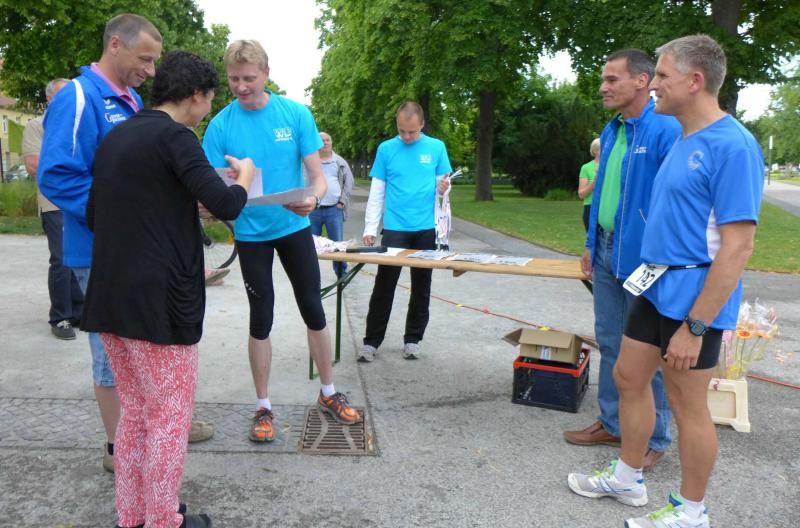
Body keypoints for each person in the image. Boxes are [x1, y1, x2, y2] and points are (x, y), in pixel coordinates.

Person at [568, 35, 764, 528]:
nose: (652, 83)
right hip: (655, 286)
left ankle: (691, 511)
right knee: (628, 377)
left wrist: (696, 327)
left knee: (686, 404)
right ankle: (628, 478)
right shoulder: (681, 137)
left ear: (694, 81)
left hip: (694, 298)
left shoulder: (734, 146)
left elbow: (738, 248)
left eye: (661, 75)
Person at [37, 13, 213, 474]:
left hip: (138, 250)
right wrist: (119, 216)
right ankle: (121, 451)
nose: (151, 71)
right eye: (145, 59)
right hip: (99, 250)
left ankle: (159, 427)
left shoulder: (132, 100)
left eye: (155, 62)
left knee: (145, 350)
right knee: (112, 358)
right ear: (115, 44)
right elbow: (56, 174)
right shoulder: (79, 96)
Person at [83, 50, 252, 528]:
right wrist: (245, 178)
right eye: (209, 99)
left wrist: (174, 207)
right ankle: (162, 519)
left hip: (110, 298)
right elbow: (227, 204)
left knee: (136, 413)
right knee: (169, 416)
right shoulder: (177, 137)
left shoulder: (118, 136)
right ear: (196, 95)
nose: (207, 110)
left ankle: (132, 516)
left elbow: (96, 214)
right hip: (158, 302)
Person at [202, 40, 359, 444]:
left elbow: (318, 177)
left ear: (266, 74)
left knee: (313, 308)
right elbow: (209, 188)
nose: (241, 86)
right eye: (234, 79)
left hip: (293, 227)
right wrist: (211, 206)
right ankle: (263, 405)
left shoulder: (295, 114)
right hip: (250, 233)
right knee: (261, 316)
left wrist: (313, 198)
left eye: (249, 78)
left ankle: (328, 391)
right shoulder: (220, 126)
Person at [562, 49, 681, 470]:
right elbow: (600, 192)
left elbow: (676, 203)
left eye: (612, 79)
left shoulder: (666, 128)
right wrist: (590, 241)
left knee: (649, 352)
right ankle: (614, 424)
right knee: (611, 341)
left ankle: (654, 438)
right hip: (605, 250)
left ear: (642, 81)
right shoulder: (612, 129)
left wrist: (660, 256)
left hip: (645, 259)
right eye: (603, 79)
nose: (603, 87)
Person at [357, 102, 452, 362]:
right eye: (401, 131)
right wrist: (370, 228)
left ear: (422, 125)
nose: (407, 136)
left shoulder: (436, 147)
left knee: (422, 286)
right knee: (384, 286)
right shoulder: (386, 149)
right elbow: (377, 192)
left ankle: (413, 340)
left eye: (411, 131)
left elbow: (444, 185)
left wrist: (444, 187)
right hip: (395, 228)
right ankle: (371, 342)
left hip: (426, 229)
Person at [22, 78, 84, 340]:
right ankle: (60, 317)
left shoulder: (78, 123)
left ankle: (78, 311)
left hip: (79, 201)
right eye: (62, 94)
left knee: (79, 256)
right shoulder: (37, 126)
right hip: (53, 202)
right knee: (60, 259)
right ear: (49, 99)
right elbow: (34, 166)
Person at [307, 131, 354, 278]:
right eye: (322, 140)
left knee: (337, 243)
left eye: (328, 140)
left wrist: (342, 201)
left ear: (331, 143)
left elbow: (349, 182)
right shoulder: (309, 161)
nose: (325, 142)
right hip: (313, 209)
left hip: (334, 209)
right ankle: (310, 275)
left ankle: (341, 273)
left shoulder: (339, 162)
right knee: (310, 244)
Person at [578, 138, 600, 232]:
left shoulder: (611, 167)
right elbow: (581, 194)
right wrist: (595, 181)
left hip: (607, 208)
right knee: (592, 240)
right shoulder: (586, 168)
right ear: (595, 151)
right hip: (590, 208)